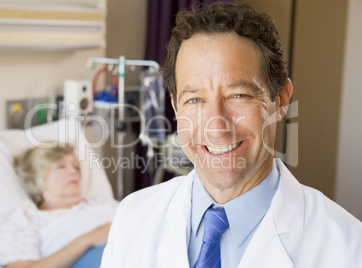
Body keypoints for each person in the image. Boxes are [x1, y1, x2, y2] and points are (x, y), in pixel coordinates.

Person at [101, 2, 362, 268]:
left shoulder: (348, 248)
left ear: (281, 100)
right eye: (194, 100)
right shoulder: (132, 219)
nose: (216, 127)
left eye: (239, 95)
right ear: (175, 107)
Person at [0, 144, 117, 268]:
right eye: (60, 166)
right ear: (36, 177)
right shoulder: (25, 220)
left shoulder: (103, 203)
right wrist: (89, 239)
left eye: (76, 166)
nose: (73, 171)